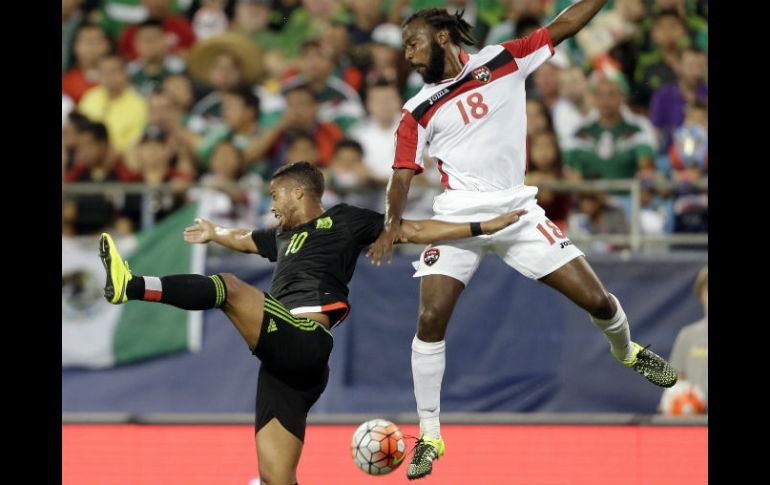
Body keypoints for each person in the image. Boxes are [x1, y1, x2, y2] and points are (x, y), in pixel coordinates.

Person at [367, 5, 678, 479]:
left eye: (414, 42)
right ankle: (429, 434)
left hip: (517, 212)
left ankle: (627, 351)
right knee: (430, 317)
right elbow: (401, 177)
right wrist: (392, 221)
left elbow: (566, 25)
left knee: (596, 300)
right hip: (457, 218)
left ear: (445, 36)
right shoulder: (416, 111)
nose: (407, 54)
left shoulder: (503, 60)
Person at [98, 161, 526, 485]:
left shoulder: (344, 221)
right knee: (274, 480)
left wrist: (483, 225)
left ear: (299, 192)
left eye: (275, 195)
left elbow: (412, 228)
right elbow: (246, 239)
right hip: (287, 370)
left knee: (227, 286)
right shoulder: (282, 238)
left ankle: (131, 285)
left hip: (305, 338)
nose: (271, 205)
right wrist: (215, 232)